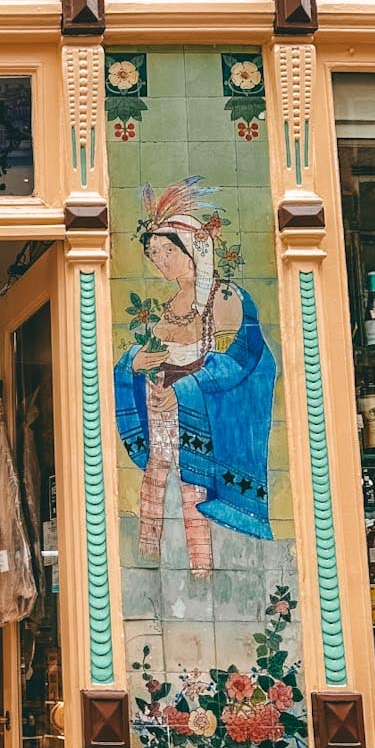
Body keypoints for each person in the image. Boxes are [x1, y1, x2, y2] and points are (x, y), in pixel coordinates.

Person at [114, 177, 275, 576]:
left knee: (194, 489)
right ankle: (151, 568)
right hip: (162, 413)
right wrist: (135, 365)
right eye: (154, 254)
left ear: (191, 251)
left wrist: (184, 389)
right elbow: (152, 355)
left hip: (197, 412)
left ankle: (201, 572)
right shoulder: (170, 305)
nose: (160, 261)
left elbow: (238, 360)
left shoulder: (224, 297)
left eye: (167, 251)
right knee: (155, 483)